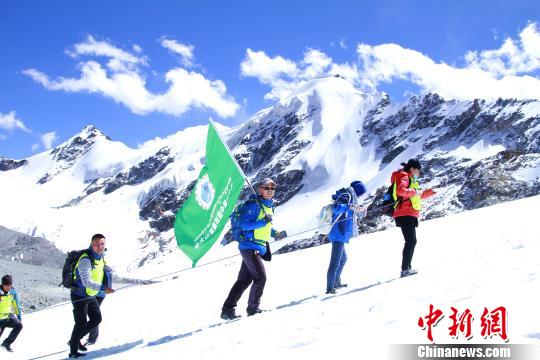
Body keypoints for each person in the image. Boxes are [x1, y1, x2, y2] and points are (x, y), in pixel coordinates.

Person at [221, 178, 287, 320]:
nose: (270, 190)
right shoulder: (254, 206)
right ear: (259, 189)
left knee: (244, 280)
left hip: (256, 246)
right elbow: (245, 225)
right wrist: (264, 221)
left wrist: (274, 233)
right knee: (260, 278)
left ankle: (227, 309)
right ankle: (253, 308)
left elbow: (265, 226)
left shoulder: (267, 205)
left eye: (272, 187)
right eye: (266, 187)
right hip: (250, 246)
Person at [68, 234, 115, 358]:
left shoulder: (100, 257)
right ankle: (73, 352)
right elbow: (86, 281)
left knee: (96, 319)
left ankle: (75, 340)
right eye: (97, 244)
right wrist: (103, 288)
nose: (100, 246)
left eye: (102, 244)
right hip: (79, 295)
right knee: (80, 323)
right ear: (91, 244)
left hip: (90, 294)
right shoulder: (86, 260)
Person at [390, 159, 436, 277]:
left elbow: (416, 196)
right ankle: (405, 269)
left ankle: (407, 268)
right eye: (418, 170)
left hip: (408, 213)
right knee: (411, 241)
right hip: (405, 213)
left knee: (411, 241)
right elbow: (401, 191)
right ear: (412, 169)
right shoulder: (404, 176)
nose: (419, 173)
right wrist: (414, 191)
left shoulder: (410, 179)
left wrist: (430, 192)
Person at [326, 181, 367, 294]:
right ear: (357, 190)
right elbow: (336, 208)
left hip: (340, 233)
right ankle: (330, 287)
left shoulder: (350, 197)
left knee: (343, 259)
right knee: (335, 261)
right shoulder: (346, 196)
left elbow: (351, 212)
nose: (361, 196)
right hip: (338, 232)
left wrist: (359, 209)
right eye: (361, 193)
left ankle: (336, 282)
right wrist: (351, 206)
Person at [85, 264, 112, 346]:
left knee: (93, 316)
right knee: (93, 315)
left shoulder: (101, 269)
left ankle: (92, 338)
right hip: (101, 294)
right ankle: (93, 337)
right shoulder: (106, 269)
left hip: (98, 294)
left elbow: (99, 283)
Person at [0, 275, 22, 352]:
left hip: (8, 316)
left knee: (19, 325)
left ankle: (7, 343)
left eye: (10, 285)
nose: (8, 287)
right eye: (6, 285)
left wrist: (19, 316)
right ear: (2, 284)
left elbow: (16, 304)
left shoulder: (12, 292)